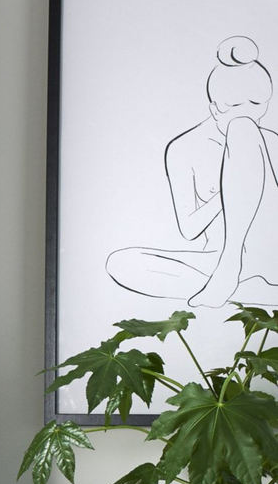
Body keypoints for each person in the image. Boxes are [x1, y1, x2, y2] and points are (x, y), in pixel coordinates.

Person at [106, 36, 278, 307]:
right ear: (215, 108)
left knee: (242, 131)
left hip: (268, 252)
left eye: (257, 107)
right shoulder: (183, 149)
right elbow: (189, 230)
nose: (249, 116)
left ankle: (230, 274)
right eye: (235, 108)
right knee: (121, 263)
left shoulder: (268, 140)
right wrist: (230, 189)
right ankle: (253, 290)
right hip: (216, 258)